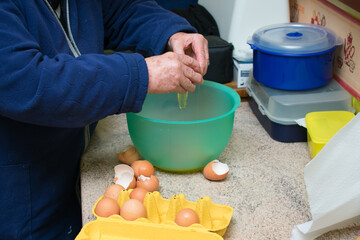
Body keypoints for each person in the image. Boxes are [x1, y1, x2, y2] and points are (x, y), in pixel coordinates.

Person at [0, 0, 209, 239]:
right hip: (20, 199)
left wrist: (171, 32)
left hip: (68, 170)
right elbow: (30, 82)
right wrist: (143, 74)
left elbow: (120, 9)